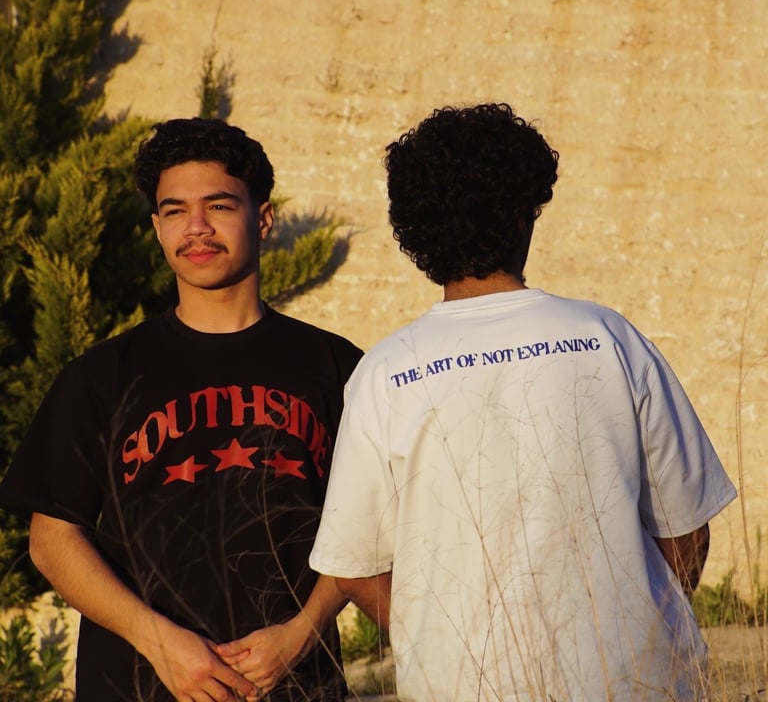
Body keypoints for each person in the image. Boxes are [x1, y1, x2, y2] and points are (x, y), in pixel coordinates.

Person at [309, 103, 737, 701]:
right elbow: (686, 530)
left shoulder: (385, 372)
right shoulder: (608, 337)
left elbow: (356, 568)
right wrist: (634, 622)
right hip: (636, 682)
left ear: (416, 229)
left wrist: (442, 641)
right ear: (522, 214)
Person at [0, 118, 362, 702]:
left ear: (262, 218)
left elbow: (368, 527)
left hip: (296, 684)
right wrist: (161, 642)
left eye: (218, 205)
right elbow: (52, 537)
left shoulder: (337, 367)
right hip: (136, 682)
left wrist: (302, 633)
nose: (196, 228)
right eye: (174, 211)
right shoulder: (102, 376)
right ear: (156, 226)